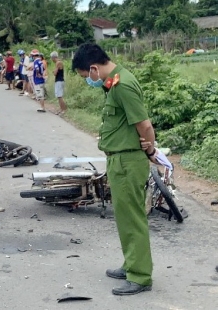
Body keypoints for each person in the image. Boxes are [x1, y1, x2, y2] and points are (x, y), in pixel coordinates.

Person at [72, 43, 157, 296]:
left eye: (86, 76)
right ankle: (132, 264)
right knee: (124, 217)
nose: (88, 81)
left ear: (94, 68)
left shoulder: (123, 85)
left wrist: (151, 150)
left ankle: (140, 276)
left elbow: (144, 124)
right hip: (120, 160)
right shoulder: (113, 83)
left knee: (132, 218)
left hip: (129, 161)